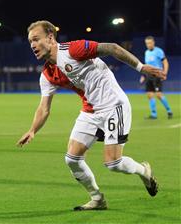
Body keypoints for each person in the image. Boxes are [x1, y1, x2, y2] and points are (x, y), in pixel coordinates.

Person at [17, 20, 164, 210]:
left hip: (114, 105)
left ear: (51, 37)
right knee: (72, 159)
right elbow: (44, 108)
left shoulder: (73, 50)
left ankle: (144, 171)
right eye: (30, 42)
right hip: (90, 111)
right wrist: (32, 130)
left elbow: (112, 48)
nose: (32, 45)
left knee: (113, 163)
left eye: (36, 39)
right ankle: (97, 199)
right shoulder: (47, 74)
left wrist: (141, 67)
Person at [140, 36, 173, 119]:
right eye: (147, 43)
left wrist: (165, 73)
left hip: (157, 75)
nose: (149, 45)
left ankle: (169, 111)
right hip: (148, 76)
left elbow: (165, 62)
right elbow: (146, 66)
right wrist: (143, 75)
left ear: (153, 42)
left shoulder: (159, 51)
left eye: (150, 43)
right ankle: (154, 114)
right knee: (150, 95)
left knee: (158, 95)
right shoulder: (146, 52)